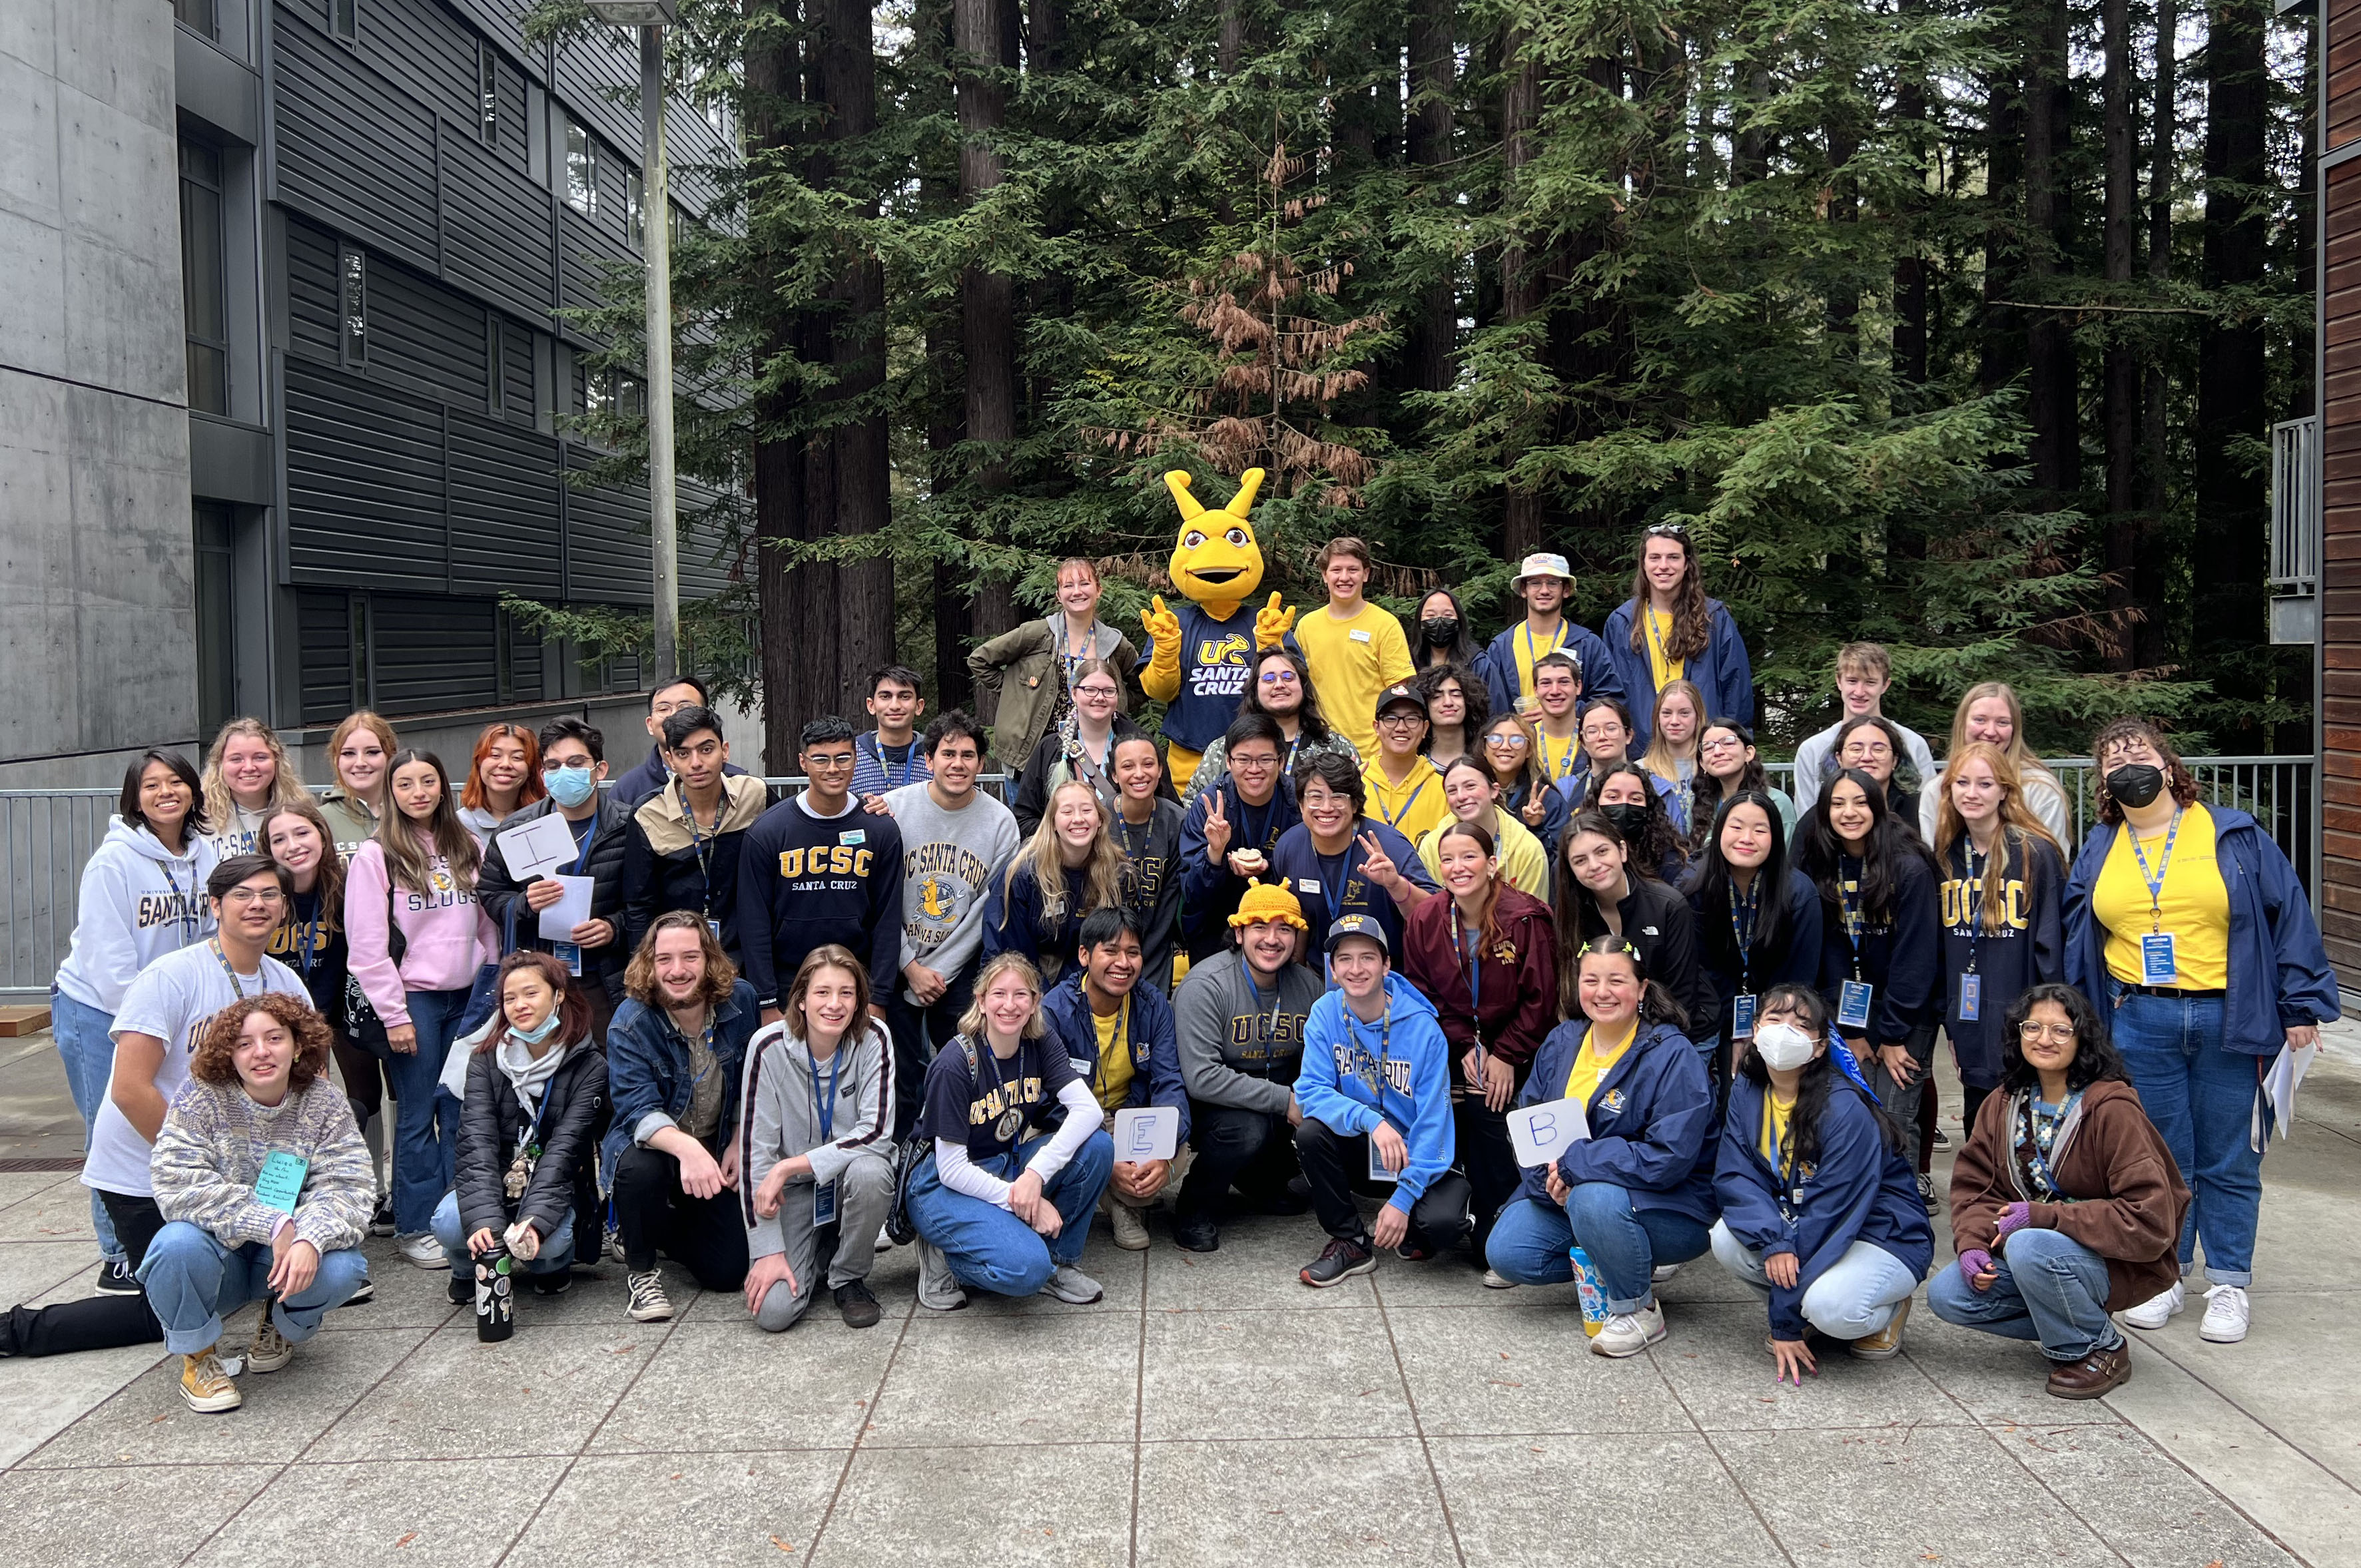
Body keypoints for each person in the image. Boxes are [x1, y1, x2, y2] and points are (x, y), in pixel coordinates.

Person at [2063, 716, 2339, 1345]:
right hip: (2138, 1016)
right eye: (2112, 759)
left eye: (2138, 752)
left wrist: (2300, 1007)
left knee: (2230, 1157)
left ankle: (2229, 1282)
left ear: (2167, 763)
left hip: (2229, 1016)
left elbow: (2286, 911)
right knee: (2158, 1158)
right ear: (2102, 780)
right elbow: (2080, 935)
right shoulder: (2100, 845)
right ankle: (2164, 1275)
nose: (2126, 764)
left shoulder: (2230, 832)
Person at [65, 857, 308, 1351]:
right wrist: (203, 1165)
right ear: (215, 905)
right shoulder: (171, 976)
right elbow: (130, 1089)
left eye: (269, 894)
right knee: (166, 1309)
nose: (257, 904)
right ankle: (16, 1329)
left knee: (275, 1270)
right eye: (242, 894)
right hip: (144, 1167)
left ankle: (274, 1311)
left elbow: (309, 1091)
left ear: (284, 908)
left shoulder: (286, 983)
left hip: (236, 1172)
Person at [1929, 983, 2190, 1400]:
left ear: (2082, 1037)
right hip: (2041, 1256)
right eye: (2032, 1027)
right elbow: (1977, 1188)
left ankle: (2097, 1347)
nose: (2044, 1039)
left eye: (2060, 1030)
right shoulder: (2003, 1101)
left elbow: (2149, 1216)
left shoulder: (2112, 1108)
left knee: (2030, 1244)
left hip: (2112, 1260)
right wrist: (1974, 1243)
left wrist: (2047, 1217)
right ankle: (2072, 1321)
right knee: (1949, 1296)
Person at [142, 993, 374, 1412]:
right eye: (245, 1043)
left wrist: (309, 1237)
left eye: (274, 1038)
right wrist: (271, 1223)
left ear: (298, 1045)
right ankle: (198, 1359)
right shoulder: (200, 1097)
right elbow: (176, 1181)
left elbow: (350, 1187)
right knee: (173, 1244)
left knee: (346, 1267)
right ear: (229, 1053)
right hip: (219, 1258)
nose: (261, 1052)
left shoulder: (325, 1103)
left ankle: (280, 1323)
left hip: (284, 1260)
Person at [1485, 937, 1718, 1351]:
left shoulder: (1672, 1054)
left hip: (1669, 1204)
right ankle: (1619, 1259)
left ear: (1642, 989)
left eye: (1617, 980)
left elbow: (1670, 1158)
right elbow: (1529, 1124)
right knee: (1508, 1252)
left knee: (1592, 1199)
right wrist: (1549, 1184)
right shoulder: (1562, 1040)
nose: (1602, 992)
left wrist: (1579, 1164)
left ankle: (1639, 1309)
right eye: (1591, 980)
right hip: (1573, 1196)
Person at [51, 749, 218, 1286]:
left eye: (175, 781)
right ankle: (117, 1254)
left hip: (171, 1011)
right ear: (135, 797)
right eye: (151, 785)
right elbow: (108, 958)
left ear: (193, 790)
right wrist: (151, 1022)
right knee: (112, 1123)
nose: (165, 792)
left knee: (168, 1115)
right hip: (100, 1008)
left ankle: (164, 1232)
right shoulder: (113, 861)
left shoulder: (205, 854)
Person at [1711, 983, 1933, 1378]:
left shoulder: (1844, 1109)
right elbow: (1736, 1176)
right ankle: (1805, 1304)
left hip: (1878, 1233)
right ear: (1756, 1031)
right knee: (1726, 1237)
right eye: (1774, 1019)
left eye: (1800, 1025)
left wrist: (1784, 1322)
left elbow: (1832, 1215)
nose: (1783, 1032)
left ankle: (1886, 1309)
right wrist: (1774, 1241)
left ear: (1819, 1046)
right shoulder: (1748, 1089)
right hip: (1803, 1219)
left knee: (1835, 1310)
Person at [345, 750, 498, 1266]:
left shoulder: (467, 845)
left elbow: (487, 924)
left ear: (442, 786)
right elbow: (366, 945)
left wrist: (494, 983)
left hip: (469, 995)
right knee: (417, 1112)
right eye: (405, 783)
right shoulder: (376, 855)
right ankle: (414, 1224)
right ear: (391, 791)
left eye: (428, 781)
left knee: (462, 1109)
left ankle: (462, 1217)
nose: (418, 792)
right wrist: (394, 1014)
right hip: (415, 998)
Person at [905, 953, 1115, 1309]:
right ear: (981, 1001)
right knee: (1026, 1271)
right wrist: (1024, 1203)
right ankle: (945, 1260)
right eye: (999, 994)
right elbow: (952, 1169)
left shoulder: (1040, 1042)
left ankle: (1059, 1263)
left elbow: (1088, 1111)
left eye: (1022, 995)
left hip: (1006, 1163)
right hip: (941, 1182)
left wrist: (1035, 1176)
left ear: (1035, 1003)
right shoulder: (955, 1064)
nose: (1010, 1005)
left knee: (1098, 1146)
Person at [1399, 819, 1557, 1261]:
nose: (1457, 867)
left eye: (1468, 856)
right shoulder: (1427, 918)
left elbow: (1541, 997)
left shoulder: (1524, 917)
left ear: (1491, 863)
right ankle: (1431, 1214)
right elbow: (1420, 992)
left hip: (1516, 1044)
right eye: (1447, 859)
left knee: (1487, 1106)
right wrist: (1465, 1044)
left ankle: (1495, 1222)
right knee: (1429, 1104)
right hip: (1454, 1042)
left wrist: (1504, 1054)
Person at [604, 913, 763, 1322]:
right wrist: (688, 1148)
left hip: (712, 1147)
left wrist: (736, 1137)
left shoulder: (741, 1001)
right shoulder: (631, 1020)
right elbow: (636, 1108)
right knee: (640, 1169)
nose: (677, 971)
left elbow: (754, 1080)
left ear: (710, 960)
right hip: (655, 1147)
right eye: (664, 959)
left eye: (690, 957)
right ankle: (641, 1269)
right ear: (649, 965)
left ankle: (663, 1230)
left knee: (728, 1271)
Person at [1292, 916, 1469, 1284]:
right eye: (1345, 959)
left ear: (1386, 965)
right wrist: (1371, 1121)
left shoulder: (1423, 1029)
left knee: (1442, 1226)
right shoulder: (1325, 1014)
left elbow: (1434, 1122)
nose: (1356, 969)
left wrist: (1404, 1199)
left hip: (1415, 1156)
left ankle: (1413, 1225)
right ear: (1333, 969)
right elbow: (1310, 1092)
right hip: (1365, 1149)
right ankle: (1350, 1242)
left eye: (1368, 958)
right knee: (1310, 1133)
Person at [1796, 770, 1941, 1206]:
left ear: (1878, 807)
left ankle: (1900, 1207)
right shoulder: (1819, 863)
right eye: (1837, 803)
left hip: (1907, 1010)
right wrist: (1853, 1030)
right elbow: (1828, 951)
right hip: (1849, 1013)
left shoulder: (1909, 867)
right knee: (1851, 1107)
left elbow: (1917, 958)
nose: (1848, 812)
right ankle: (1855, 1201)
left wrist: (1893, 1033)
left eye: (1860, 801)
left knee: (1895, 1111)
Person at [434, 952, 607, 1307]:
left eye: (531, 994)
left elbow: (565, 1152)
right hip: (496, 1176)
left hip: (554, 1182)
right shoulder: (485, 1059)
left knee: (551, 1243)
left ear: (558, 994)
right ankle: (467, 1269)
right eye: (509, 998)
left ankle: (553, 1267)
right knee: (449, 1222)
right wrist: (487, 1226)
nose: (520, 1006)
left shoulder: (589, 1064)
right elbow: (476, 1145)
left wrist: (534, 1222)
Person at [739, 945, 897, 1330]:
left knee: (872, 1172)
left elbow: (877, 1133)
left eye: (847, 993)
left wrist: (792, 1164)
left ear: (859, 1000)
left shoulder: (874, 1036)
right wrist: (767, 1250)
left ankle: (848, 1277)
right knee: (773, 1313)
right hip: (792, 1192)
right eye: (823, 993)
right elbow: (754, 1156)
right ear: (801, 1000)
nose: (835, 1004)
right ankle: (821, 1248)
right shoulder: (767, 1047)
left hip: (846, 1181)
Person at [880, 711, 1022, 1140]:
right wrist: (910, 966)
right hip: (899, 958)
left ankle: (965, 1148)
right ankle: (904, 1160)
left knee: (969, 1065)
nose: (957, 763)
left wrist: (938, 969)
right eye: (948, 754)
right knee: (901, 1077)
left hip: (959, 968)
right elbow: (882, 900)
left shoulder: (1000, 822)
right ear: (929, 760)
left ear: (981, 764)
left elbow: (988, 907)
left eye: (968, 755)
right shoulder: (893, 811)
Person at [1168, 882, 1325, 1251]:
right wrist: (1284, 1100)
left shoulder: (1309, 987)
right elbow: (1201, 1078)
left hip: (1280, 1094)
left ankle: (1259, 1183)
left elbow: (1326, 1059)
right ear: (1238, 933)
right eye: (1259, 927)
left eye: (1284, 929)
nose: (1272, 940)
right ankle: (1194, 1206)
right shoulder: (1206, 985)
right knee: (1246, 1130)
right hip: (1215, 1106)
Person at [260, 799, 384, 1237]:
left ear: (323, 836)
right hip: (281, 1024)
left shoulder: (348, 884)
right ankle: (281, 1210)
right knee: (289, 1114)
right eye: (279, 839)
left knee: (360, 1100)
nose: (293, 846)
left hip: (340, 1014)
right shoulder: (265, 892)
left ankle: (359, 1193)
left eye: (302, 833)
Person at [737, 716, 907, 1024]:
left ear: (856, 758)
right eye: (821, 759)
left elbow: (888, 918)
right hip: (788, 980)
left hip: (856, 979)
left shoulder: (880, 830)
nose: (833, 768)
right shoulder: (768, 832)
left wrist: (879, 995)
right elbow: (754, 923)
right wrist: (766, 999)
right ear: (803, 762)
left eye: (843, 758)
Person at [1933, 742, 2065, 1137]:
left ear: (2005, 791)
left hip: (2023, 1020)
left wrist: (2049, 1019)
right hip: (1970, 1017)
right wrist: (1949, 1015)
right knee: (1980, 1125)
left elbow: (2052, 949)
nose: (1972, 793)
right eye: (1963, 782)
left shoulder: (2035, 853)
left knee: (2024, 1128)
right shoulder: (1944, 857)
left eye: (1985, 784)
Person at [1135, 467, 1297, 784]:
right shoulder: (1175, 623)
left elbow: (1293, 693)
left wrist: (1272, 648)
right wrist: (1166, 651)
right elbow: (1158, 691)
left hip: (1258, 757)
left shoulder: (1266, 622)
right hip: (1189, 758)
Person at [1040, 910, 1189, 1249]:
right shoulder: (1055, 1011)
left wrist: (1163, 1153)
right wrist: (1109, 1162)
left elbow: (1169, 1082)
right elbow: (1044, 1102)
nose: (1123, 963)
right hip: (1070, 1119)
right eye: (1110, 950)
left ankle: (1116, 1197)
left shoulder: (1153, 1006)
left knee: (1178, 1153)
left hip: (1127, 1115)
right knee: (1056, 1151)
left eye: (1133, 953)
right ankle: (1108, 1192)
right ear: (1084, 955)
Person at [478, 719, 633, 1026]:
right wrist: (524, 903)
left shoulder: (630, 827)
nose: (564, 772)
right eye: (554, 765)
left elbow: (651, 902)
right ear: (543, 776)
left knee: (605, 1065)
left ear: (600, 770)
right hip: (540, 979)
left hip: (606, 979)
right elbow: (491, 894)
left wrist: (614, 928)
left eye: (576, 763)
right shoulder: (516, 830)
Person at [1687, 791, 1822, 1093]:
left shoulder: (1799, 893)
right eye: (1736, 827)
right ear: (1719, 830)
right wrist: (1737, 1033)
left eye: (1760, 830)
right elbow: (1701, 970)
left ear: (1775, 836)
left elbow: (1797, 978)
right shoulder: (1692, 886)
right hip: (1713, 1016)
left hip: (1778, 1020)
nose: (1747, 838)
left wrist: (1761, 1029)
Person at [970, 557, 1145, 784]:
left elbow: (1142, 686)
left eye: (1084, 583)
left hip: (1095, 756)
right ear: (1058, 595)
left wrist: (1113, 702)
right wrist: (1017, 695)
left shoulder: (1115, 645)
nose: (1077, 592)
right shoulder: (1036, 634)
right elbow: (980, 660)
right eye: (1068, 586)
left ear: (1098, 590)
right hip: (1032, 758)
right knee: (1031, 820)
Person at [621, 703, 769, 961]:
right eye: (683, 754)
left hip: (748, 952)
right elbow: (639, 905)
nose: (696, 763)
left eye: (706, 750)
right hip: (681, 958)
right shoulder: (648, 814)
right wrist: (646, 967)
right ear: (670, 759)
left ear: (725, 751)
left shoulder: (756, 794)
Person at [1554, 809, 1715, 1036]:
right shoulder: (1572, 915)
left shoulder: (1668, 906)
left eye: (1602, 852)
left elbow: (1683, 998)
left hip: (1680, 1030)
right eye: (1580, 861)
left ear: (1622, 850)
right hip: (1610, 1029)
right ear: (1570, 870)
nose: (1594, 865)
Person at [1269, 750, 1439, 959]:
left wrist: (1397, 886)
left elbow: (1437, 918)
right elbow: (1296, 915)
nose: (1326, 807)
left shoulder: (1390, 848)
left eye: (1339, 797)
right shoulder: (1289, 847)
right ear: (1301, 804)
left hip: (1387, 976)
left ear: (1356, 804)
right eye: (1315, 797)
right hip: (1318, 976)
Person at [1601, 525, 1756, 750]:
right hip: (1642, 753)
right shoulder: (1622, 622)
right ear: (1643, 564)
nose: (1663, 566)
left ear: (1686, 564)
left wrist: (1732, 745)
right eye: (1655, 557)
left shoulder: (1714, 619)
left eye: (1673, 557)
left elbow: (1737, 692)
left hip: (1707, 753)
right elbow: (1611, 696)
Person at [1177, 714, 1303, 961]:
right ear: (1228, 761)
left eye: (1265, 759)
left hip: (1280, 925)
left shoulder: (1297, 801)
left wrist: (1270, 868)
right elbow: (1191, 895)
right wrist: (1215, 855)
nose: (1254, 769)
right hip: (1216, 925)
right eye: (1243, 760)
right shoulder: (1210, 804)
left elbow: (1310, 870)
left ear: (1281, 761)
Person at [982, 779, 1126, 985]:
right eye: (1067, 812)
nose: (1078, 819)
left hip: (1090, 979)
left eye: (1086, 810)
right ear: (1052, 823)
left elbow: (1114, 944)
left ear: (1100, 820)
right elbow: (1007, 949)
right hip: (1025, 980)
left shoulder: (1116, 872)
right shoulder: (1023, 874)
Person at [1179, 647, 1358, 806]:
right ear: (1255, 690)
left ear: (1303, 686)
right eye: (1269, 679)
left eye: (1288, 677)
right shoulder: (1222, 751)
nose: (1279, 685)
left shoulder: (1337, 748)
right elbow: (1192, 810)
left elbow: (1359, 808)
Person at [1294, 536, 1415, 762]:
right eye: (1336, 570)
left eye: (1353, 570)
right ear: (1324, 575)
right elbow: (1298, 690)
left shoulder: (1385, 625)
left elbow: (1399, 696)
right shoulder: (1306, 627)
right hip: (1319, 752)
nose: (1344, 577)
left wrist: (1387, 751)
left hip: (1372, 755)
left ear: (1366, 574)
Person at [1010, 658, 1159, 836]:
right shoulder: (1049, 749)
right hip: (1064, 860)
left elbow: (1163, 806)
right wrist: (1060, 842)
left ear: (1118, 695)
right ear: (1074, 693)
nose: (1100, 697)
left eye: (1109, 691)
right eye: (1090, 690)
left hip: (1126, 855)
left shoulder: (1141, 746)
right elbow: (1025, 815)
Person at [1788, 643, 1937, 813]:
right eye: (1852, 681)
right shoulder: (1811, 750)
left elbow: (1928, 811)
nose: (1859, 692)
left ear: (1885, 685)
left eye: (1870, 682)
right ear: (1839, 681)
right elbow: (1806, 814)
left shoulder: (1913, 744)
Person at [1920, 680, 2072, 848]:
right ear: (1962, 724)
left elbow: (2052, 864)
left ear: (2015, 729)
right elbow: (1933, 863)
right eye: (1980, 720)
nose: (1990, 732)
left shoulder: (2040, 789)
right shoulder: (1937, 790)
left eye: (2002, 722)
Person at [1481, 551, 1623, 721]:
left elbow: (1611, 700)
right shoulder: (1502, 647)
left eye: (1553, 583)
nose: (1544, 590)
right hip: (1518, 744)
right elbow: (1487, 705)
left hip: (1574, 744)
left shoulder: (1588, 644)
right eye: (1535, 583)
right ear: (1524, 590)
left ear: (1566, 590)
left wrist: (1567, 711)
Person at [1110, 734, 1185, 995]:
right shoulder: (1097, 819)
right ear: (1114, 776)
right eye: (1128, 766)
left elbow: (1170, 900)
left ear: (1161, 770)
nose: (1139, 774)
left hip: (1156, 953)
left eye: (1148, 764)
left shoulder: (1177, 822)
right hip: (1104, 950)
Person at [1417, 755, 1550, 898]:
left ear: (1494, 790)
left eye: (1470, 786)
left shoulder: (1527, 848)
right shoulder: (1431, 846)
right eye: (1452, 791)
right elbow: (1427, 911)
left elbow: (1534, 915)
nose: (1461, 796)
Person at [609, 674, 749, 810]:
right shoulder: (626, 790)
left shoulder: (743, 786)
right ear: (650, 724)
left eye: (686, 707)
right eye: (663, 709)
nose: (674, 715)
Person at [198, 718, 307, 857]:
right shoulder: (199, 820)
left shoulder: (302, 815)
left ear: (277, 761)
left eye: (260, 758)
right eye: (236, 759)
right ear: (219, 765)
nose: (249, 767)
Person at [1365, 682, 1453, 845]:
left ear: (1425, 728)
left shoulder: (1444, 789)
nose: (1401, 727)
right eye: (1391, 719)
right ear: (1377, 727)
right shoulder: (1357, 782)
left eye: (1411, 719)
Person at [1582, 758, 1689, 884]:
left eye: (1635, 799)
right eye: (1613, 797)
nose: (1624, 804)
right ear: (1596, 802)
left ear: (1648, 807)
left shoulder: (1668, 860)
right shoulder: (1578, 854)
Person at [1690, 719, 1796, 846]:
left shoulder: (1777, 803)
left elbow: (1783, 860)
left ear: (1748, 753)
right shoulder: (1699, 805)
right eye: (1708, 747)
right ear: (1702, 764)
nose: (1718, 752)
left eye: (1728, 742)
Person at [1480, 712, 1571, 856]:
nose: (1505, 747)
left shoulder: (1548, 800)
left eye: (1516, 740)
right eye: (1496, 739)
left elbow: (1560, 864)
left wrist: (1536, 827)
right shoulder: (1471, 795)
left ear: (1528, 750)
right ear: (1484, 749)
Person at [317, 710, 399, 860]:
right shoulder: (318, 821)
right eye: (349, 754)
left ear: (391, 756)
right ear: (337, 760)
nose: (360, 763)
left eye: (372, 752)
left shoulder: (411, 813)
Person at [456, 722, 545, 848]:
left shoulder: (546, 818)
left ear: (531, 768)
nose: (505, 764)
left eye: (517, 757)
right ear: (479, 762)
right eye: (495, 755)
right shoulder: (458, 825)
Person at [852, 664, 934, 800]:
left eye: (905, 697)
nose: (895, 706)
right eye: (885, 696)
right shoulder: (851, 755)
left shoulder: (937, 754)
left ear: (919, 706)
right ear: (871, 705)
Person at [1832, 714, 1924, 832]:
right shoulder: (1821, 813)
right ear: (1839, 758)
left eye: (1878, 750)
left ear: (1895, 760)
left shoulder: (1920, 808)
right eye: (1856, 749)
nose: (1867, 757)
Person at [1637, 678, 1707, 828]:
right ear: (1657, 718)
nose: (1674, 721)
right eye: (1667, 713)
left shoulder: (1713, 766)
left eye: (1684, 713)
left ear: (1698, 716)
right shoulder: (1641, 770)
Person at [1528, 652, 1592, 791]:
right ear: (1536, 690)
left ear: (1578, 687)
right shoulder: (1523, 740)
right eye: (1546, 683)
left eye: (1564, 682)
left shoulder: (1595, 738)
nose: (1555, 691)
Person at [1416, 662, 1489, 774]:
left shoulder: (1487, 759)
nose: (1448, 702)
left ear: (1469, 702)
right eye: (1436, 697)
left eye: (1456, 695)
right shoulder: (1413, 763)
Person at [1413, 587, 1484, 671]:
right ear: (1419, 621)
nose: (1439, 621)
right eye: (1431, 615)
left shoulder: (1478, 663)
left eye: (1448, 615)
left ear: (1459, 620)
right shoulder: (1407, 662)